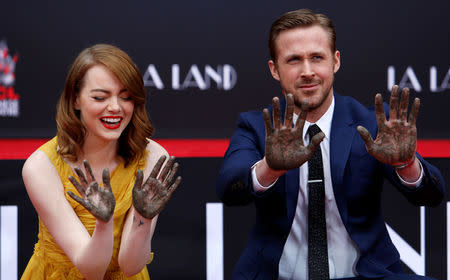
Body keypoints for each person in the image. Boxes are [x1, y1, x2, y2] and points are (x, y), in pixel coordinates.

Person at [216, 9, 445, 280]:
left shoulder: (371, 124)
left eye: (316, 58)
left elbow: (432, 196)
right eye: (293, 60)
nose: (307, 71)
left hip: (366, 275)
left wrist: (406, 164)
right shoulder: (256, 127)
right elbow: (230, 189)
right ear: (274, 69)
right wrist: (270, 168)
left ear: (335, 62)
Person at [21, 44, 181, 280]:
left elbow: (131, 266)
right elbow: (92, 270)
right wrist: (103, 224)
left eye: (126, 97)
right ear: (75, 99)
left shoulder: (153, 157)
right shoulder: (41, 167)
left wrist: (143, 219)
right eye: (100, 97)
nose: (115, 108)